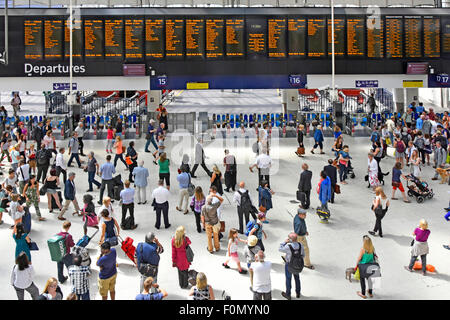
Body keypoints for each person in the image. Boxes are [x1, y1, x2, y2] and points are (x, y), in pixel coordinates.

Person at [279, 232, 304, 300]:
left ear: (290, 239)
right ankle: (298, 293)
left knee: (288, 279)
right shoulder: (300, 245)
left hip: (289, 265)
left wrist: (284, 242)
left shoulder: (288, 246)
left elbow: (280, 249)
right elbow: (303, 255)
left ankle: (288, 294)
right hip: (297, 265)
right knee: (297, 278)